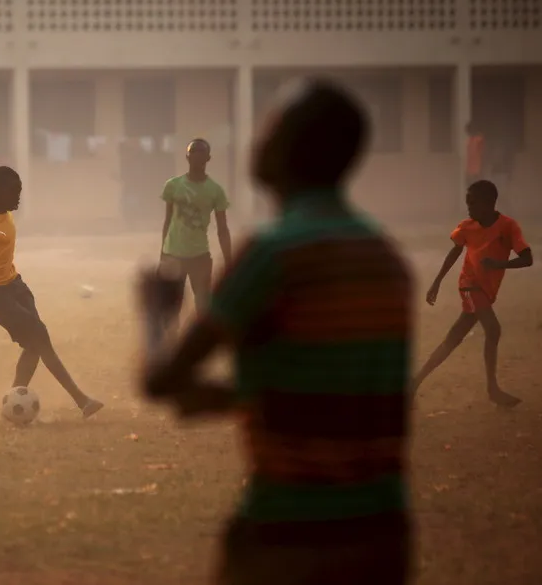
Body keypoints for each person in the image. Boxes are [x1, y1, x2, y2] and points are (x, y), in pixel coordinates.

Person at [136, 80, 413, 585]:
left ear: (290, 148)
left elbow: (161, 381)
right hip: (383, 536)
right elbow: (328, 386)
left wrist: (156, 314)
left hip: (289, 533)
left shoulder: (272, 254)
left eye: (269, 126)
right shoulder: (387, 260)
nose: (256, 139)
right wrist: (236, 396)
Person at [0, 166, 104, 418]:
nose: (19, 197)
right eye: (15, 192)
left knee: (34, 344)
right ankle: (81, 400)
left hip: (13, 284)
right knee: (39, 335)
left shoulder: (5, 213)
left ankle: (13, 402)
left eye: (20, 191)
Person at [412, 180, 532, 407]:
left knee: (452, 339)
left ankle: (413, 384)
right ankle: (493, 389)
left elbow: (528, 258)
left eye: (473, 203)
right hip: (469, 287)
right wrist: (436, 281)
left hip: (486, 291)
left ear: (490, 203)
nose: (469, 208)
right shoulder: (466, 227)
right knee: (493, 329)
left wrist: (498, 264)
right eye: (468, 203)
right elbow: (455, 252)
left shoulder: (508, 226)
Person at [159, 138, 232, 322]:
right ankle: (170, 345)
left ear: (208, 158)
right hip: (174, 254)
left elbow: (222, 229)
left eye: (201, 154)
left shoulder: (215, 191)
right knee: (171, 307)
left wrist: (229, 260)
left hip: (200, 255)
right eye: (193, 153)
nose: (197, 157)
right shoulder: (173, 185)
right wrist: (163, 253)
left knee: (204, 307)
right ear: (187, 157)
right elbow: (167, 220)